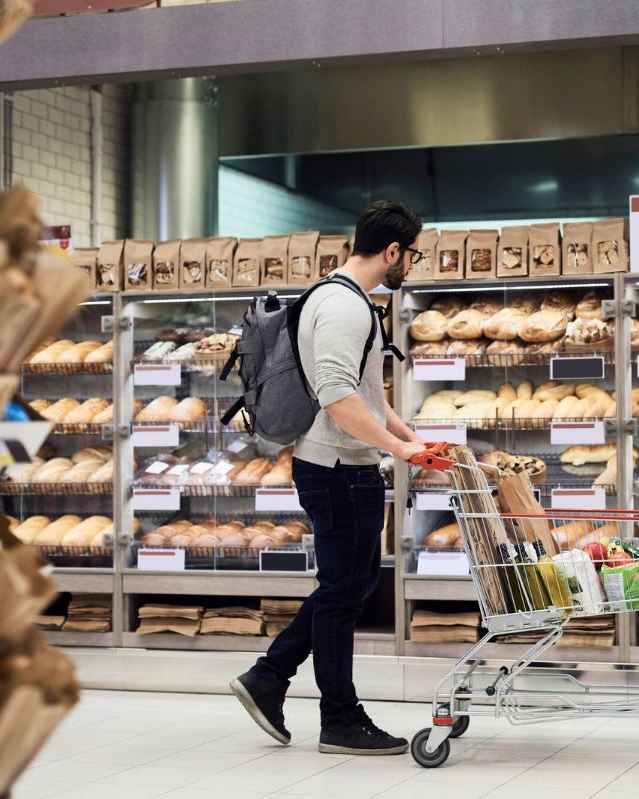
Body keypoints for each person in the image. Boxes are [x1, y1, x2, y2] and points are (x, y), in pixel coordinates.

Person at [230, 200, 427, 755]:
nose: (411, 264)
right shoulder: (344, 307)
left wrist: (409, 439)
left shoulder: (346, 298)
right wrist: (397, 450)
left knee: (351, 584)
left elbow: (367, 394)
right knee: (343, 593)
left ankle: (269, 676)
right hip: (337, 469)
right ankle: (339, 718)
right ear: (392, 251)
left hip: (347, 465)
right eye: (412, 254)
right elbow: (338, 396)